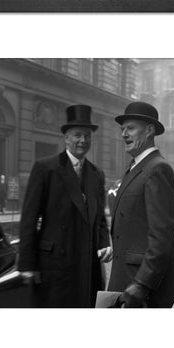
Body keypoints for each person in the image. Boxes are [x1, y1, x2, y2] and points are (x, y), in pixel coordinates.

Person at [18, 104, 112, 308]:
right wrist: (27, 263)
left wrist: (104, 242)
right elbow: (29, 218)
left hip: (87, 263)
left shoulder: (96, 174)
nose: (83, 141)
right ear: (66, 138)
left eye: (87, 136)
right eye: (77, 135)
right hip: (55, 264)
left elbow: (100, 219)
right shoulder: (46, 168)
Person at [107, 101, 174, 308]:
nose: (124, 134)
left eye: (130, 128)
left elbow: (163, 235)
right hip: (127, 278)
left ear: (149, 131)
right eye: (123, 129)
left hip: (143, 286)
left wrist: (142, 283)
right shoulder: (136, 167)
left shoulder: (157, 169)